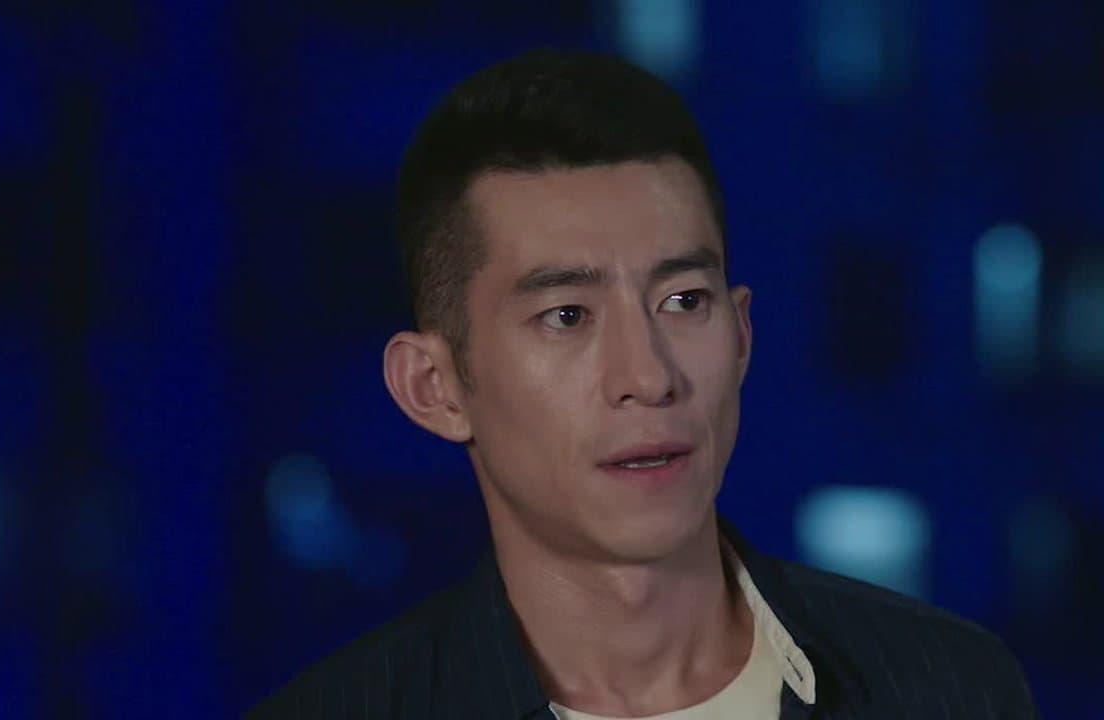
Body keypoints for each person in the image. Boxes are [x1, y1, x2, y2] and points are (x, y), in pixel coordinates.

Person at [247, 50, 1040, 719]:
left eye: (684, 302)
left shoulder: (952, 688)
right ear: (434, 386)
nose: (649, 377)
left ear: (742, 336)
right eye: (566, 316)